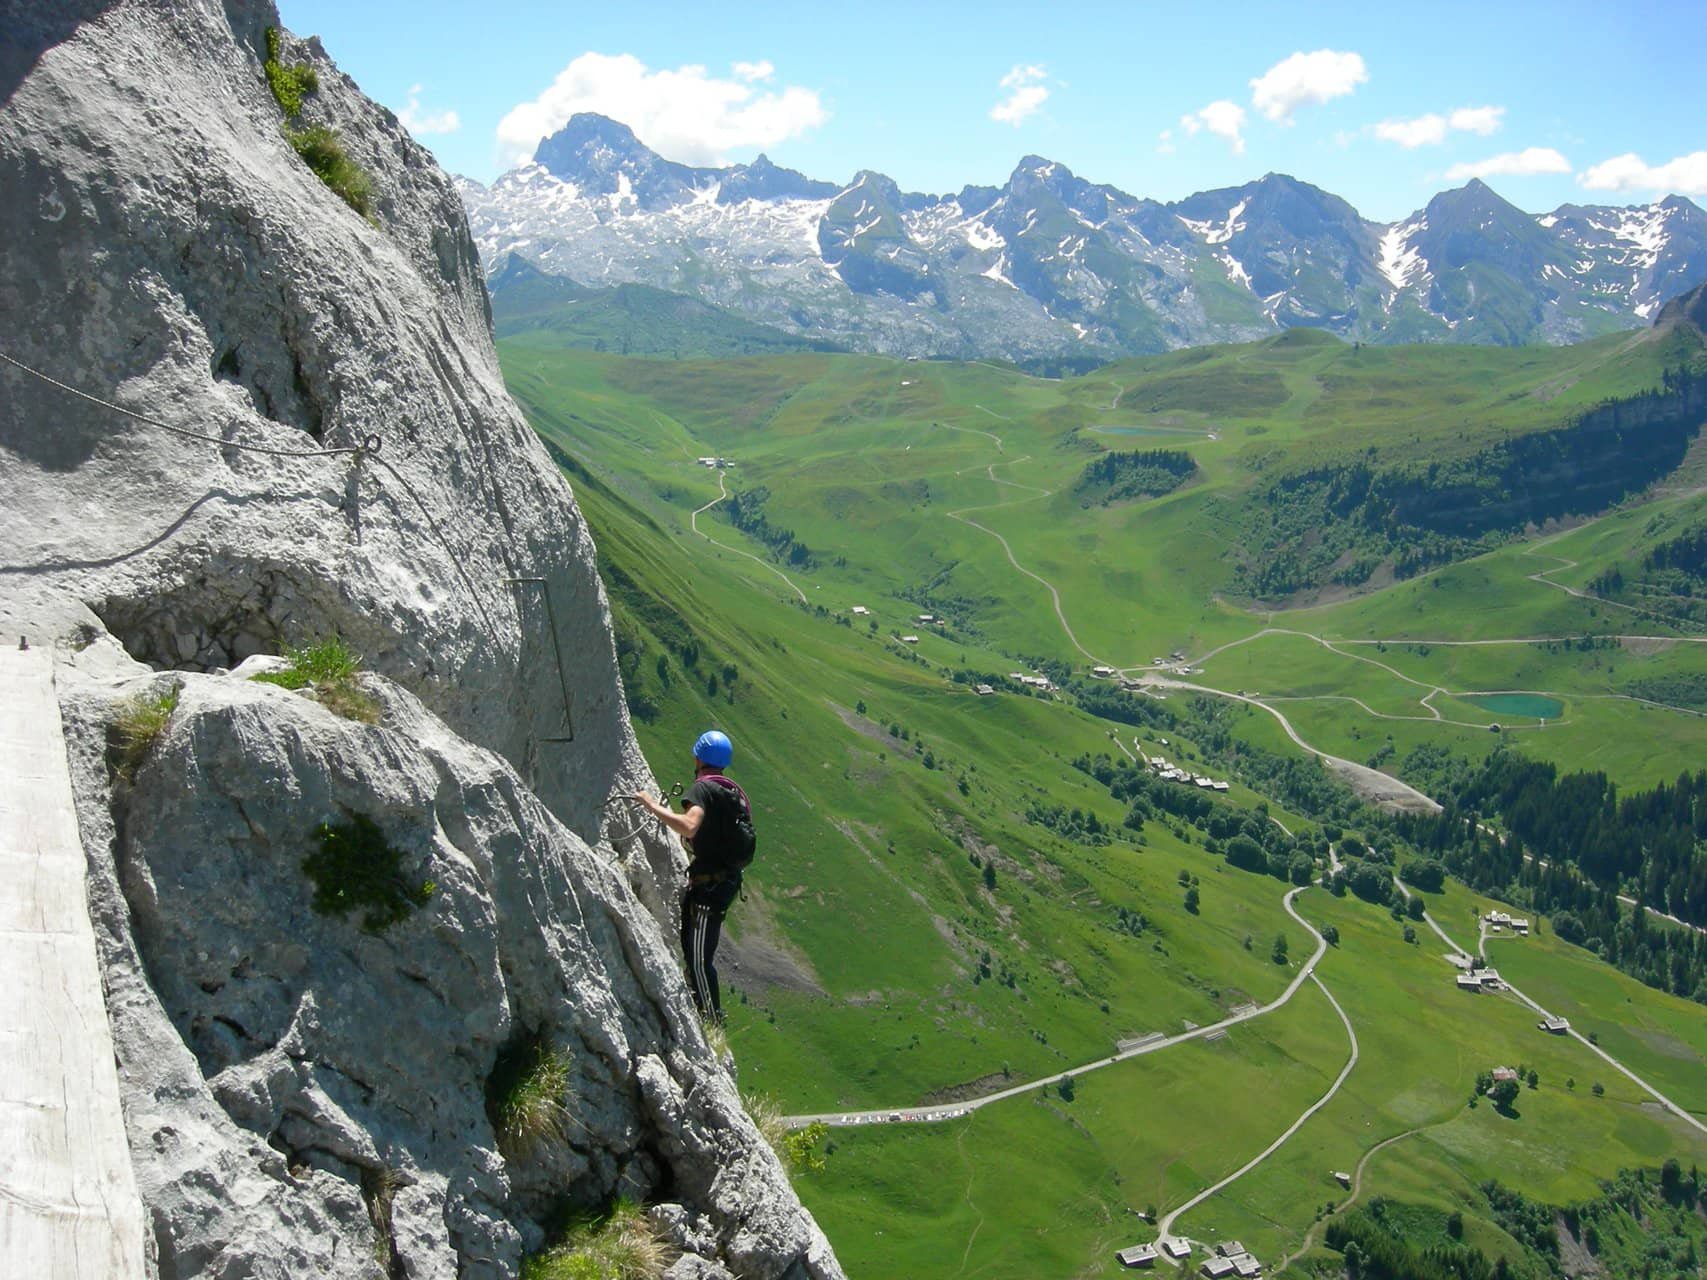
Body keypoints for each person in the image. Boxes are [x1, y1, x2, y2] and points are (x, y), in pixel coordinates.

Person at [634, 729, 752, 1026]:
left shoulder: (702, 789)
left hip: (709, 890)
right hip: (724, 882)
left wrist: (651, 806)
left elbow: (689, 826)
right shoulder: (731, 791)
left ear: (699, 757)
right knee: (695, 950)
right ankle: (705, 1011)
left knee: (699, 960)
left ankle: (712, 1023)